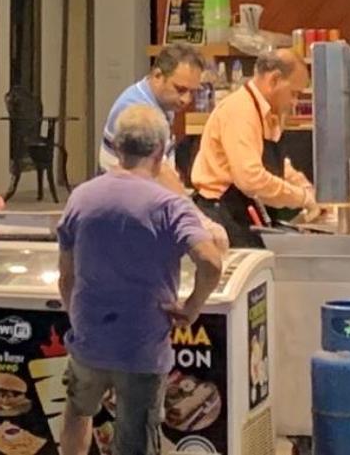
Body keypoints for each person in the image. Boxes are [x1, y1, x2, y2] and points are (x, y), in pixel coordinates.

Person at [57, 105, 225, 455]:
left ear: (117, 148)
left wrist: (77, 316)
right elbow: (210, 261)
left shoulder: (81, 196)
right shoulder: (170, 205)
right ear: (161, 152)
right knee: (136, 438)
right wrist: (192, 307)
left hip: (89, 337)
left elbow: (67, 276)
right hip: (142, 343)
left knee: (77, 413)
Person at [190, 47, 317, 249]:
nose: (294, 102)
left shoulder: (265, 112)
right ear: (274, 79)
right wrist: (301, 198)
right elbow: (250, 179)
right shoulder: (240, 111)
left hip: (242, 209)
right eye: (293, 93)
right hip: (222, 212)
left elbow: (276, 167)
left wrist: (307, 189)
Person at [99, 43, 207, 193]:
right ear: (157, 76)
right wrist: (186, 204)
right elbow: (160, 172)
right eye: (180, 89)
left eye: (192, 92)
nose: (186, 99)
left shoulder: (162, 103)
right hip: (124, 197)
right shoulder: (137, 111)